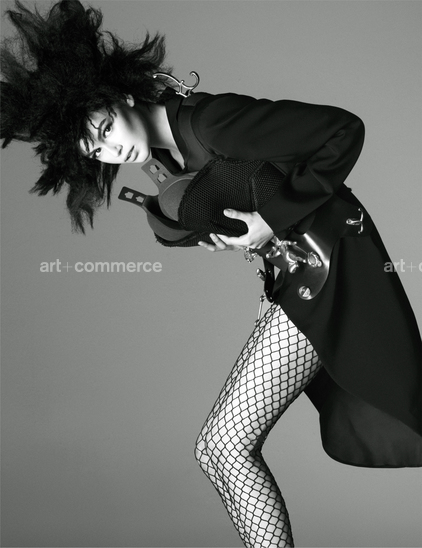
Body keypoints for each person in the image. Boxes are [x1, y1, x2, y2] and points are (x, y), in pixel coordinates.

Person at [1, 1, 421, 547]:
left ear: (121, 95)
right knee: (221, 449)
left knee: (223, 447)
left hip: (331, 270)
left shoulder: (209, 121)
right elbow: (256, 191)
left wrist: (270, 219)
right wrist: (251, 238)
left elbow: (343, 129)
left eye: (105, 127)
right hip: (298, 280)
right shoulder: (169, 154)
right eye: (94, 148)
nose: (110, 148)